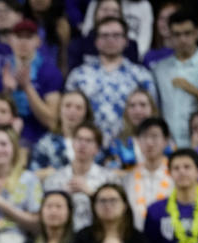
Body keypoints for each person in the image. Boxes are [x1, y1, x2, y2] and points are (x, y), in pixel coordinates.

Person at [64, 16, 157, 147]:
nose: (110, 40)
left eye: (116, 35)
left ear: (126, 41)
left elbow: (152, 116)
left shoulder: (141, 76)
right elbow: (66, 115)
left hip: (130, 148)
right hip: (87, 148)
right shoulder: (78, 75)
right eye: (104, 35)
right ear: (96, 41)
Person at [152, 11, 198, 149]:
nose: (182, 39)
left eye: (187, 33)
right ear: (169, 36)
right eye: (177, 34)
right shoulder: (160, 69)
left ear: (197, 33)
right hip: (169, 145)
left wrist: (195, 91)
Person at [0, 18, 62, 145]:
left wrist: (27, 87)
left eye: (29, 37)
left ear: (38, 41)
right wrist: (7, 92)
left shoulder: (50, 72)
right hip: (7, 140)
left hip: (40, 140)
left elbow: (51, 121)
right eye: (19, 37)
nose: (23, 42)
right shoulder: (3, 74)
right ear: (10, 40)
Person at [43, 122, 117, 231]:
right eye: (79, 139)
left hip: (97, 233)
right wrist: (63, 197)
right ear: (72, 143)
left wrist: (90, 193)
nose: (83, 144)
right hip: (63, 234)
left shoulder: (109, 179)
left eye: (88, 141)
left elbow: (117, 212)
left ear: (97, 148)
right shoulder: (54, 179)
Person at [29, 90, 94, 179]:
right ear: (59, 110)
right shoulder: (45, 143)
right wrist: (45, 173)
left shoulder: (95, 142)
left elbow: (111, 171)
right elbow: (31, 175)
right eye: (67, 106)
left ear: (86, 113)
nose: (72, 111)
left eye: (78, 108)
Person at [122, 117, 172, 229]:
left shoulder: (176, 174)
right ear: (138, 142)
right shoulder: (128, 178)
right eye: (144, 137)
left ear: (166, 140)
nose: (149, 143)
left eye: (154, 137)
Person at [103, 89, 160, 171]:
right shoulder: (118, 142)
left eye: (143, 105)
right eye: (132, 106)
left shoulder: (164, 139)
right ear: (126, 112)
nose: (137, 111)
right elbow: (112, 171)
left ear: (152, 109)